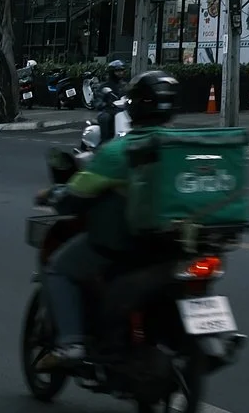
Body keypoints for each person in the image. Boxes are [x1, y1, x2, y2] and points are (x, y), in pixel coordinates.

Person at [41, 67, 181, 364]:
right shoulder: (183, 147)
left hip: (126, 246)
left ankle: (71, 344)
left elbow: (76, 194)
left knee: (57, 269)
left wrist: (55, 196)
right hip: (173, 245)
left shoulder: (120, 152)